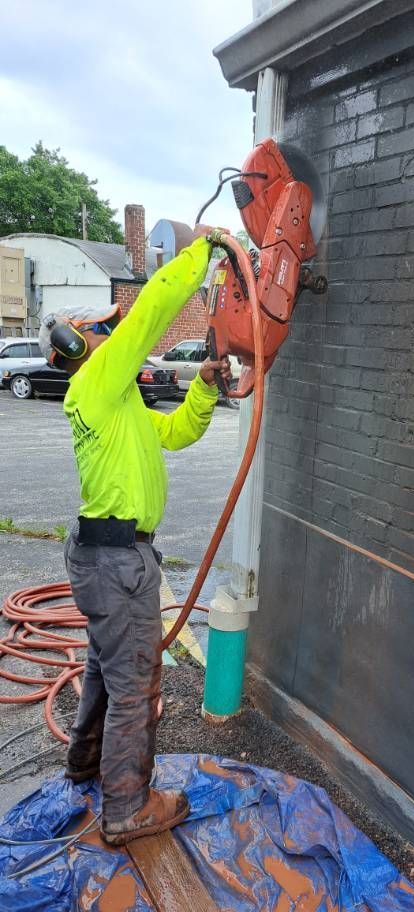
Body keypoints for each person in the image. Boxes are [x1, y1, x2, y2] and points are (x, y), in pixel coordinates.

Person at [38, 232, 230, 845]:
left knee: (104, 666)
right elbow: (151, 310)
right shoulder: (95, 383)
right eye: (103, 329)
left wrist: (202, 387)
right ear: (80, 343)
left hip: (107, 557)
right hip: (117, 561)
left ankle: (85, 763)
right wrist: (205, 251)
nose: (113, 335)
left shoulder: (114, 403)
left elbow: (174, 434)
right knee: (134, 687)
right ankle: (127, 807)